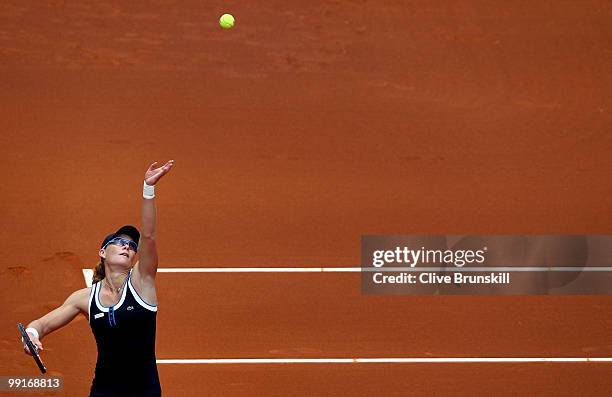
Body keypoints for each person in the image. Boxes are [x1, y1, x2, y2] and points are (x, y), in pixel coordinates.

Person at [22, 160, 175, 397]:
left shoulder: (142, 282)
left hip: (144, 392)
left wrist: (148, 189)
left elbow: (149, 235)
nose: (127, 247)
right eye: (120, 242)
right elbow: (40, 325)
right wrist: (31, 336)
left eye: (132, 246)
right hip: (104, 391)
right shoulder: (84, 298)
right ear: (103, 252)